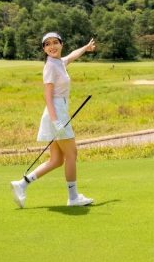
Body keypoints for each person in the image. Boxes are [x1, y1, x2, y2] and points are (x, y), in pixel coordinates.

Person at [11, 32, 96, 208]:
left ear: (61, 44)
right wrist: (56, 120)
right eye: (47, 44)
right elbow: (47, 96)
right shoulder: (50, 66)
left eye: (55, 42)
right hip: (56, 112)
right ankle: (73, 198)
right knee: (72, 154)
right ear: (44, 49)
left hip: (58, 111)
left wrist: (86, 48)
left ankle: (22, 184)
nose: (52, 46)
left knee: (57, 160)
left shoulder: (60, 62)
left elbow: (72, 56)